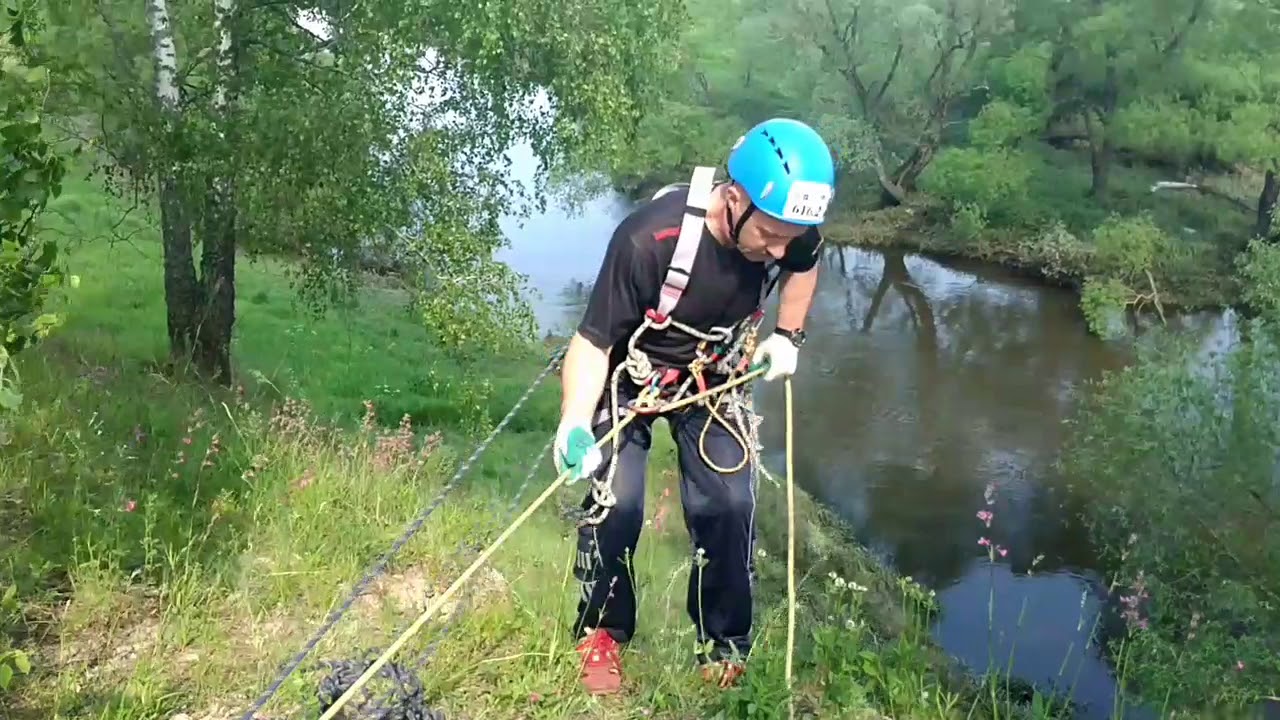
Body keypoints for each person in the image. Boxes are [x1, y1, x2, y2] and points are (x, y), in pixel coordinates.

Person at [553, 117, 835, 695]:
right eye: (770, 235)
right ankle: (600, 636)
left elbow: (804, 269)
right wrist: (575, 423)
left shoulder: (791, 231)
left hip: (712, 374)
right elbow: (594, 341)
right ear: (734, 198)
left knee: (731, 501)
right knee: (618, 503)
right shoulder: (647, 240)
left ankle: (722, 644)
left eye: (790, 236)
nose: (779, 250)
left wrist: (789, 335)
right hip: (628, 376)